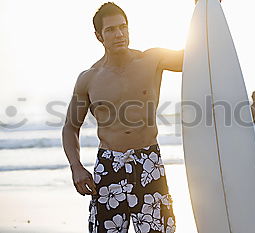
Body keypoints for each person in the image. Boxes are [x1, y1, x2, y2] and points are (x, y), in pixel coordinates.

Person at [62, 2, 183, 232]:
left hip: (149, 161)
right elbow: (70, 127)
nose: (119, 34)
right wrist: (76, 166)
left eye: (123, 27)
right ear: (99, 36)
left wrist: (206, 9)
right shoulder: (89, 78)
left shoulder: (152, 60)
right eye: (110, 30)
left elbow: (198, 57)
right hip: (109, 165)